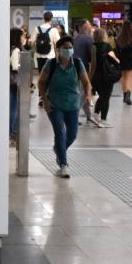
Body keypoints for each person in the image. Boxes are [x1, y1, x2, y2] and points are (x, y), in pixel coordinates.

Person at [39, 36, 92, 178]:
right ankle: (63, 164)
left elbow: (86, 82)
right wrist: (45, 100)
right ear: (58, 49)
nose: (68, 50)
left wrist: (88, 95)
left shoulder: (77, 63)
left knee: (72, 135)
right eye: (65, 47)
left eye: (70, 47)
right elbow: (41, 82)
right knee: (60, 133)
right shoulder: (51, 64)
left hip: (73, 104)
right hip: (54, 104)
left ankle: (58, 149)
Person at [89, 28, 120, 127]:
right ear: (103, 36)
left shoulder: (92, 47)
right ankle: (103, 120)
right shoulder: (106, 46)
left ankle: (96, 114)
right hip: (106, 75)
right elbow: (114, 59)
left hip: (94, 76)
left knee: (102, 96)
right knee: (106, 98)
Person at [31, 12, 60, 106]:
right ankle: (47, 97)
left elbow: (31, 42)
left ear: (43, 18)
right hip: (50, 57)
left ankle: (41, 97)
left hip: (39, 57)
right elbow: (58, 44)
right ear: (51, 18)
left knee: (41, 77)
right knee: (49, 77)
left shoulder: (37, 29)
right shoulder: (54, 30)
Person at [73, 20, 99, 127]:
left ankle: (88, 115)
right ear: (84, 27)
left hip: (74, 67)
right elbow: (92, 57)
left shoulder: (77, 37)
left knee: (82, 92)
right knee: (83, 93)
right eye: (89, 26)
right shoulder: (89, 39)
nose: (91, 28)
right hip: (82, 68)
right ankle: (74, 116)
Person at [115, 21, 132, 105]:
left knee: (124, 78)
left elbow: (116, 50)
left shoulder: (119, 38)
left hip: (122, 60)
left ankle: (125, 95)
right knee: (130, 78)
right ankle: (128, 96)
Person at [9, 28, 25, 144]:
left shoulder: (10, 48)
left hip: (10, 81)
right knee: (14, 106)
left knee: (13, 105)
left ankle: (12, 130)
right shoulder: (16, 50)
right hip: (14, 81)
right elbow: (15, 66)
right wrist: (22, 66)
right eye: (22, 36)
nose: (23, 38)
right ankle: (12, 131)